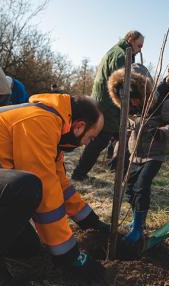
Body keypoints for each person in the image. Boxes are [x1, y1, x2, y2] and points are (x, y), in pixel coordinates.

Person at [0, 93, 110, 286]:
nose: (87, 143)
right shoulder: (39, 121)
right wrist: (69, 254)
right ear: (79, 126)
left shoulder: (53, 129)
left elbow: (59, 182)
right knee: (28, 187)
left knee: (28, 247)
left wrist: (88, 219)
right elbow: (45, 187)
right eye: (90, 137)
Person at [106, 65, 169, 246]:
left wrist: (163, 132)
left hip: (155, 153)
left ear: (143, 91)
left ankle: (138, 229)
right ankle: (136, 221)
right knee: (131, 188)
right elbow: (125, 132)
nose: (132, 104)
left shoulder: (163, 103)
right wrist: (118, 154)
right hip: (135, 154)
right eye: (127, 100)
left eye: (134, 99)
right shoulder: (128, 108)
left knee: (142, 186)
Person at [72, 30, 144, 181]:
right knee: (102, 140)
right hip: (108, 105)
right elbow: (121, 83)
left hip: (106, 103)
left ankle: (117, 171)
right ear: (130, 39)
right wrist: (133, 99)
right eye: (139, 45)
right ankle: (79, 174)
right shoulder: (121, 55)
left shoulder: (117, 51)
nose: (140, 49)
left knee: (120, 138)